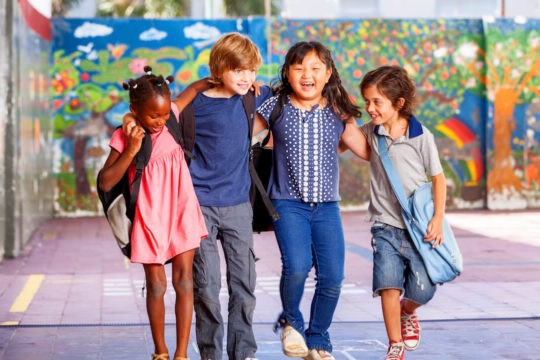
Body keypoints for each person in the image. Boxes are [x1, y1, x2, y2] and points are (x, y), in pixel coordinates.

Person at [256, 41, 369, 360]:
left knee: (333, 276)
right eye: (299, 68)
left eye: (315, 68)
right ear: (288, 73)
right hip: (286, 203)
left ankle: (318, 339)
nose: (307, 74)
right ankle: (291, 322)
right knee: (297, 267)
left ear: (328, 73)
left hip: (327, 207)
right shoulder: (275, 105)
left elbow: (363, 149)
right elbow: (239, 133)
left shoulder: (338, 109)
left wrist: (393, 124)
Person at [98, 66, 208, 360]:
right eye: (153, 116)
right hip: (150, 214)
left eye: (164, 115)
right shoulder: (125, 135)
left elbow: (192, 91)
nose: (160, 121)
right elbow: (105, 181)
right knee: (157, 284)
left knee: (185, 281)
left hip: (182, 207)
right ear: (134, 109)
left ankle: (181, 354)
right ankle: (160, 351)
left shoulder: (169, 114)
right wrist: (132, 150)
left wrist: (213, 80)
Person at [357, 65, 447, 360]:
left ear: (399, 104)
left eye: (376, 102)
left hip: (418, 227)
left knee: (423, 289)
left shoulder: (422, 136)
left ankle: (409, 311)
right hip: (384, 226)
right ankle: (395, 344)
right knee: (388, 285)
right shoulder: (371, 132)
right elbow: (343, 141)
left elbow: (438, 179)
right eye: (366, 101)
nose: (369, 108)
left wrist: (438, 220)